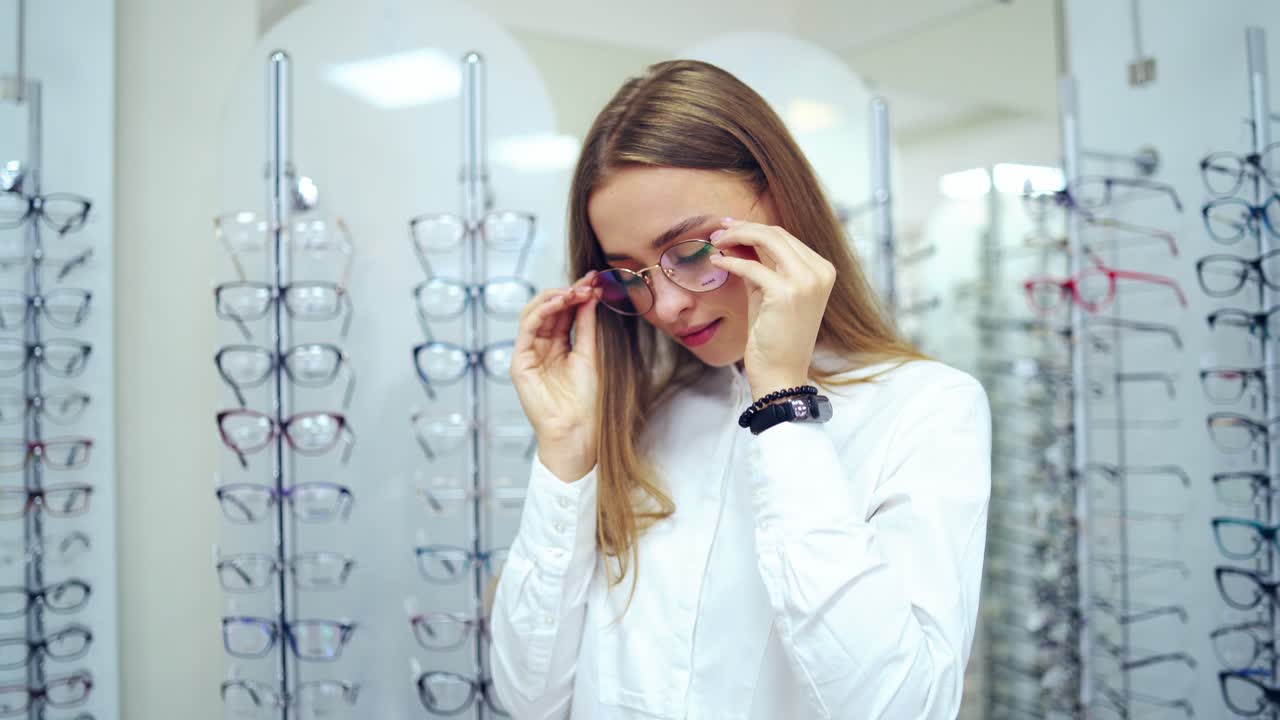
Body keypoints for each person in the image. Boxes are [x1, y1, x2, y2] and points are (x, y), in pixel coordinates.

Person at [490, 59, 991, 720]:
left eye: (693, 252)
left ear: (780, 203)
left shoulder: (926, 407)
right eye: (629, 275)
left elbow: (900, 708)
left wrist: (782, 404)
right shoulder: (642, 416)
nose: (665, 306)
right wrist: (564, 452)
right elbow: (528, 699)